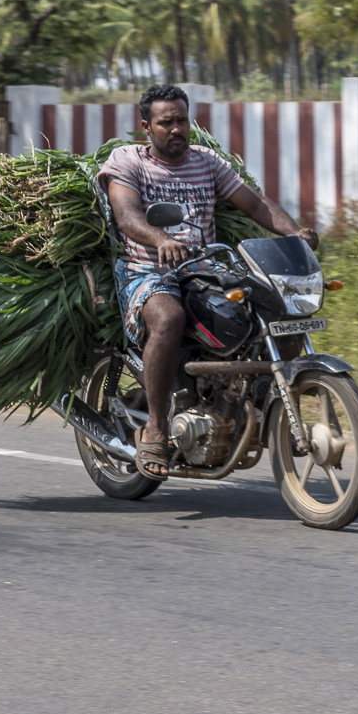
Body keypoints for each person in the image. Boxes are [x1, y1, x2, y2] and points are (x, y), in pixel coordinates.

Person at [96, 83, 318, 480]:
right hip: (146, 271)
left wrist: (294, 233)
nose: (177, 129)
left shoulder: (207, 161)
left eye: (182, 120)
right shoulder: (128, 161)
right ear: (146, 126)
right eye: (167, 123)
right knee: (167, 319)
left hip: (205, 271)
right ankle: (157, 430)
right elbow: (127, 215)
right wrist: (161, 238)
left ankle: (264, 402)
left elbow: (256, 203)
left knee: (277, 307)